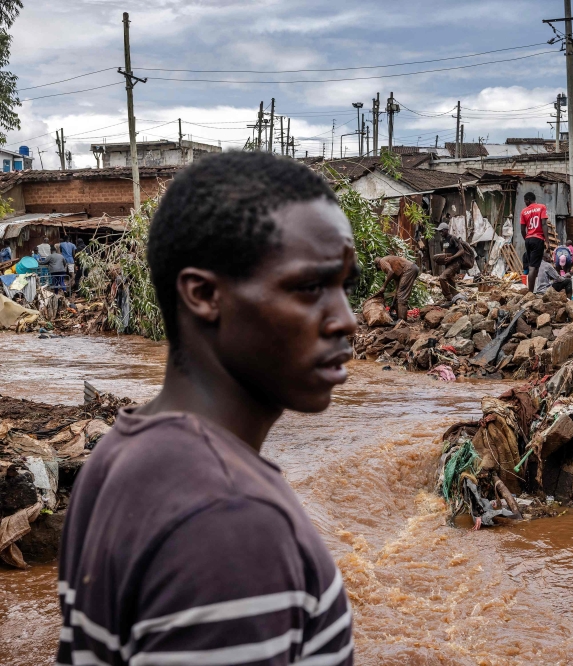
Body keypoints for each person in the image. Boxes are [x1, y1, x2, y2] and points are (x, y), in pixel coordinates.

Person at [56, 153, 355, 665]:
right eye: (309, 287)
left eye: (344, 286)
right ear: (203, 294)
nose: (346, 320)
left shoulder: (119, 453)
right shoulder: (231, 518)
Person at [434, 221, 474, 302]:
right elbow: (446, 252)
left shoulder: (453, 238)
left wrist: (452, 258)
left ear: (446, 230)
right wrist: (442, 259)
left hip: (455, 263)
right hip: (448, 263)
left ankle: (448, 297)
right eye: (439, 231)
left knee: (442, 277)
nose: (440, 233)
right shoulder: (443, 241)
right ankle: (456, 299)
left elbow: (461, 250)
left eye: (441, 231)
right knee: (450, 281)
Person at [373, 254, 419, 320]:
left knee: (402, 296)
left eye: (380, 269)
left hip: (409, 269)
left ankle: (401, 320)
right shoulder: (397, 272)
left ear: (378, 265)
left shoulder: (382, 261)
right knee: (399, 294)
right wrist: (393, 304)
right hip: (411, 269)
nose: (383, 270)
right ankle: (399, 317)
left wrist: (384, 286)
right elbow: (397, 290)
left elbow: (390, 272)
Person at [520, 191, 548, 293]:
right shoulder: (542, 207)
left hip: (528, 239)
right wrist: (547, 241)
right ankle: (530, 292)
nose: (525, 203)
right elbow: (544, 224)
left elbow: (522, 230)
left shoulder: (524, 211)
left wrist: (527, 239)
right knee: (533, 267)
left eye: (525, 201)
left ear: (528, 200)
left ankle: (532, 290)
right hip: (538, 238)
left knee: (533, 266)